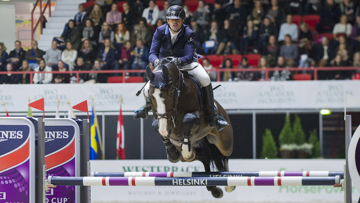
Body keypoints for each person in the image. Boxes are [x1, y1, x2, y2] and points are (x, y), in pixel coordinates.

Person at [134, 5, 228, 129]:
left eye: (178, 19)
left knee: (205, 78)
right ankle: (146, 107)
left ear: (183, 20)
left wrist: (179, 60)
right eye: (172, 19)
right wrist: (156, 61)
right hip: (163, 63)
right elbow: (152, 53)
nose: (175, 22)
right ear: (167, 20)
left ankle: (212, 116)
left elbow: (189, 55)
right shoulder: (159, 31)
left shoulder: (188, 32)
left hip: (185, 62)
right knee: (147, 88)